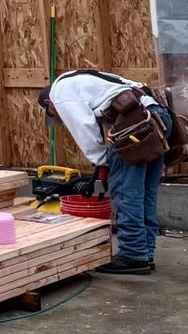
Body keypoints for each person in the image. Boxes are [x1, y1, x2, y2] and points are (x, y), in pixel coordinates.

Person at [40, 69, 176, 276]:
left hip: (135, 124)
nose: (59, 116)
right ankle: (145, 252)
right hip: (157, 116)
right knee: (145, 192)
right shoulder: (83, 79)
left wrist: (104, 162)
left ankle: (133, 255)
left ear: (49, 104)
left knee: (126, 193)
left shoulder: (60, 92)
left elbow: (84, 129)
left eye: (53, 114)